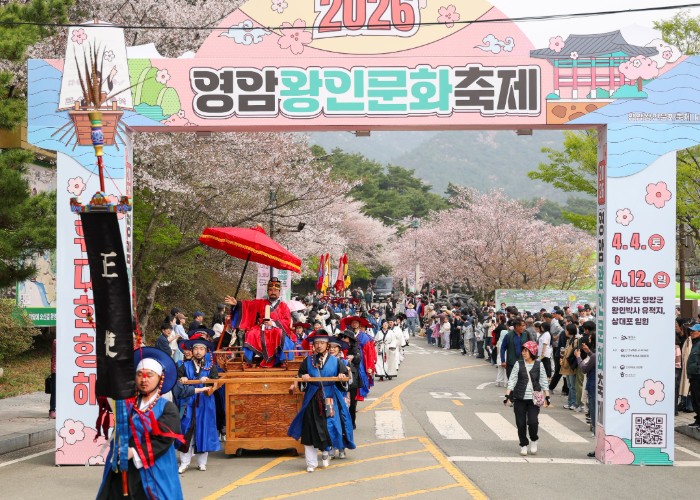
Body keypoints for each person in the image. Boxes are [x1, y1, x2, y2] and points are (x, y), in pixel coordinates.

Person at [97, 347, 184, 499]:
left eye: (149, 375)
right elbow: (107, 394)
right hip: (122, 468)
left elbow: (162, 440)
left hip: (153, 469)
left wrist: (135, 452)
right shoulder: (126, 404)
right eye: (139, 375)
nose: (144, 380)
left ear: (160, 378)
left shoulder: (167, 408)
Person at [287, 334, 355, 472]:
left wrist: (342, 378)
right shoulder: (308, 361)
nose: (319, 346)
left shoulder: (336, 362)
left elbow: (345, 381)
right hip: (312, 397)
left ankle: (326, 450)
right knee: (309, 428)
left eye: (322, 343)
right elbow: (300, 377)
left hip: (330, 397)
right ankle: (311, 463)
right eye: (316, 343)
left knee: (329, 426)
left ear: (327, 345)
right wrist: (304, 378)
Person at [226, 277, 293, 367]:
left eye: (275, 290)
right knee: (250, 334)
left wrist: (273, 323)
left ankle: (283, 361)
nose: (273, 292)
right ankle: (247, 361)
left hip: (276, 328)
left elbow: (287, 320)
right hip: (261, 328)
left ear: (279, 292)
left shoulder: (284, 306)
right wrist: (237, 303)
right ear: (267, 292)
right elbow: (248, 306)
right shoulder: (260, 302)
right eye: (270, 290)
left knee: (280, 334)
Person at [177, 335, 220, 473]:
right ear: (192, 350)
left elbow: (216, 383)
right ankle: (184, 462)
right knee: (186, 431)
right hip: (188, 403)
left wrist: (209, 381)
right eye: (196, 349)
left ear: (206, 351)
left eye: (201, 349)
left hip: (205, 403)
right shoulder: (184, 365)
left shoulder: (211, 367)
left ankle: (202, 462)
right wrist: (182, 378)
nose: (198, 351)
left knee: (203, 431)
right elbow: (177, 380)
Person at [504, 341, 550, 457]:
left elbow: (543, 380)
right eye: (523, 351)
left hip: (534, 400)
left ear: (532, 352)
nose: (523, 353)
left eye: (526, 351)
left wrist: (547, 396)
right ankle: (523, 444)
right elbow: (512, 379)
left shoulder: (539, 365)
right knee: (520, 423)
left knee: (533, 422)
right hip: (519, 398)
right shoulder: (518, 364)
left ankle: (534, 439)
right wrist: (507, 395)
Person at [687, 324, 700, 428]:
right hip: (693, 376)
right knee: (695, 399)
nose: (691, 333)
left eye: (694, 331)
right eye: (691, 331)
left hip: (698, 375)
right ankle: (698, 420)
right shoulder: (695, 343)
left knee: (698, 399)